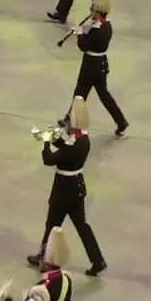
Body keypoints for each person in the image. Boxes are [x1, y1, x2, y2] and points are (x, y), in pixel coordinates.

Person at [26, 97, 107, 276]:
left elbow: (49, 159)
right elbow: (66, 151)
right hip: (77, 187)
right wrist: (56, 139)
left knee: (52, 224)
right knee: (82, 226)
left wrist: (46, 141)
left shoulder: (72, 144)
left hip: (63, 191)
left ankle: (43, 257)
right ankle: (97, 260)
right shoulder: (83, 139)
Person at [71, 0, 128, 136]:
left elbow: (84, 46)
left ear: (98, 12)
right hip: (101, 64)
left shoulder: (98, 30)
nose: (91, 13)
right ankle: (121, 121)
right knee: (102, 95)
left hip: (90, 66)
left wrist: (79, 34)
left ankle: (70, 120)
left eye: (93, 11)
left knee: (80, 93)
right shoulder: (106, 26)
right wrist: (87, 28)